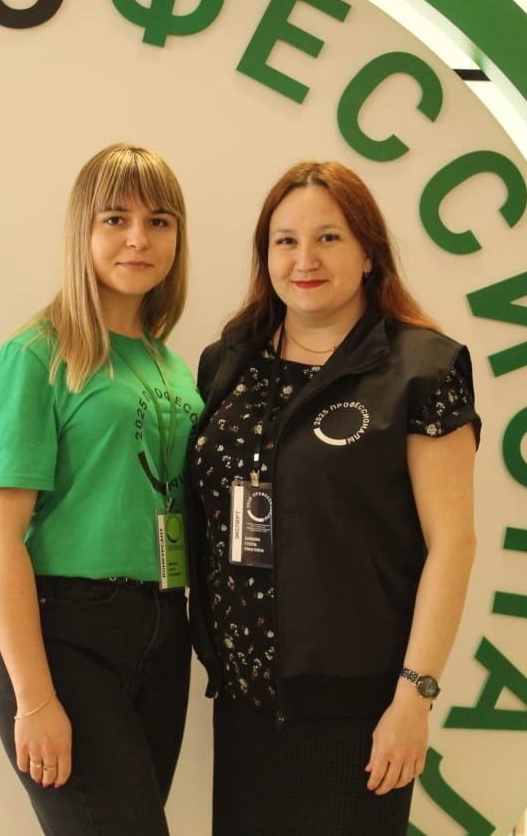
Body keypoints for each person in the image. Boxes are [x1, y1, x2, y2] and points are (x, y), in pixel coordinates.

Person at [187, 161, 480, 835]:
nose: (305, 260)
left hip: (362, 713)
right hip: (244, 708)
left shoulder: (422, 369)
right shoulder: (228, 362)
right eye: (285, 241)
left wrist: (414, 698)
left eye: (328, 238)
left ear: (369, 252)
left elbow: (453, 544)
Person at [0, 143, 202, 836]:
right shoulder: (35, 355)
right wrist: (34, 697)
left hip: (163, 626)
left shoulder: (170, 364)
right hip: (66, 634)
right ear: (83, 231)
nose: (138, 238)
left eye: (159, 222)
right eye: (115, 219)